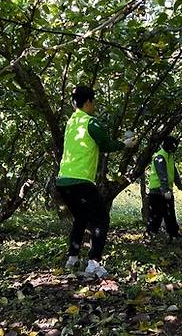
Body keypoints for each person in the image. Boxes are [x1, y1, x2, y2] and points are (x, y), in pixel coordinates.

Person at [56, 86, 138, 278]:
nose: (95, 106)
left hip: (63, 180)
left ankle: (72, 258)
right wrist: (125, 144)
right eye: (93, 102)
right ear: (88, 102)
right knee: (101, 219)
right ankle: (94, 262)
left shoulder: (71, 123)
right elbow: (106, 144)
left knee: (81, 218)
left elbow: (89, 146)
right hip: (80, 180)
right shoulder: (90, 122)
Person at [146, 136, 182, 240]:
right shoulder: (160, 157)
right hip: (157, 191)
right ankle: (151, 235)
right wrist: (165, 190)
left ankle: (173, 234)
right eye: (173, 146)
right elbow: (162, 175)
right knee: (156, 215)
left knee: (170, 213)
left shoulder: (169, 156)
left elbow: (174, 174)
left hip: (166, 191)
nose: (174, 148)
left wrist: (181, 187)